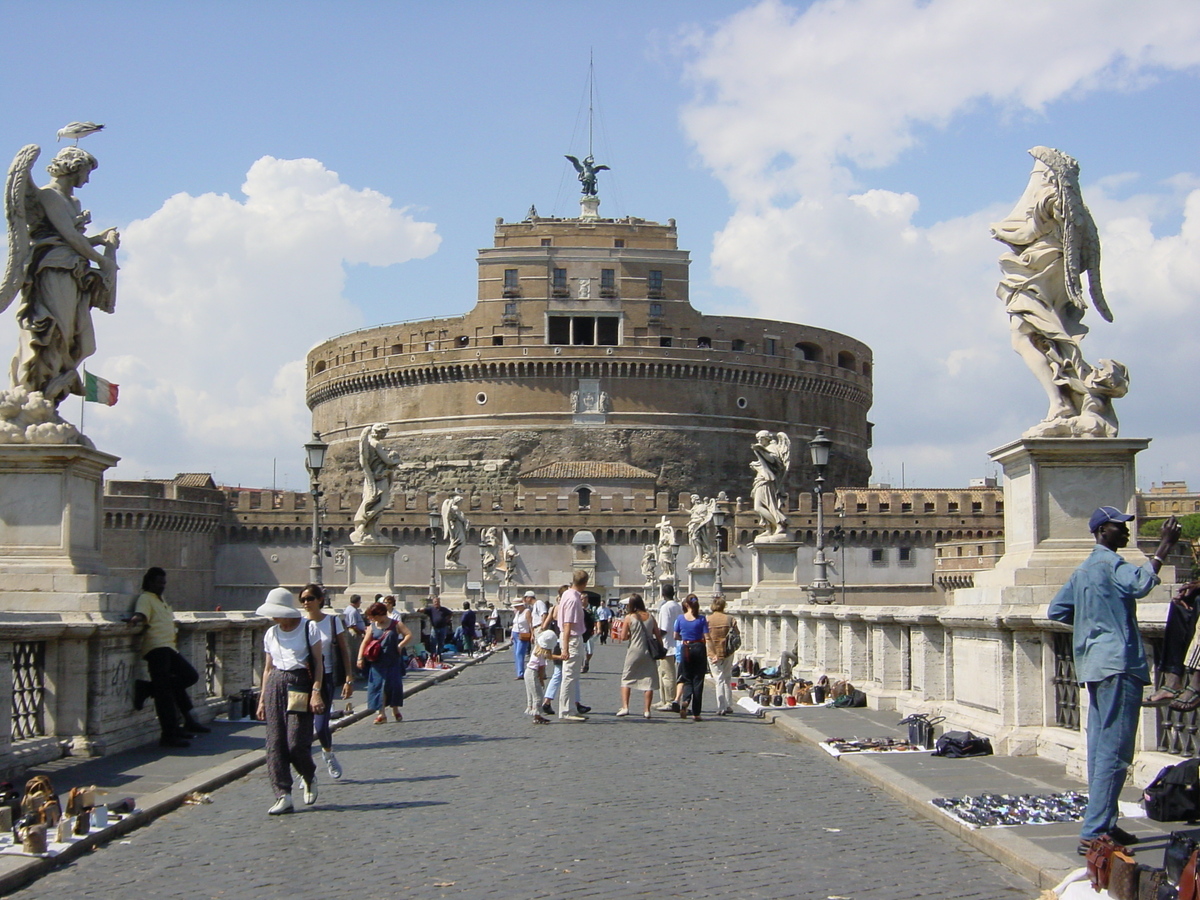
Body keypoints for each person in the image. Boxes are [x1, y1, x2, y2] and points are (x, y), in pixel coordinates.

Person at [1047, 507, 1181, 853]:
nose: (1126, 534)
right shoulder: (1111, 564)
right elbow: (1140, 585)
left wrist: (1093, 624)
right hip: (1120, 665)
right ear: (1102, 530)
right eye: (1120, 528)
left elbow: (1057, 611)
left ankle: (1105, 822)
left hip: (1094, 664)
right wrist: (1164, 547)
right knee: (1115, 750)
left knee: (1100, 747)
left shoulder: (1084, 569)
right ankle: (1094, 831)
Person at [2, 144, 119, 407]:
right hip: (52, 270)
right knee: (55, 332)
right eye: (86, 172)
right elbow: (67, 235)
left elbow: (72, 239)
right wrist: (101, 259)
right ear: (73, 167)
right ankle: (37, 392)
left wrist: (99, 241)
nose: (87, 179)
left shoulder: (73, 201)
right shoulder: (48, 196)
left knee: (81, 341)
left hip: (74, 274)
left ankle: (56, 386)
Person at [255, 588, 324, 815]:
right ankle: (282, 794)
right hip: (275, 683)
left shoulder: (308, 628)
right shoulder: (271, 633)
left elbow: (318, 663)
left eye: (277, 613)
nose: (274, 618)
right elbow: (267, 668)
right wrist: (262, 699)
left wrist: (316, 691)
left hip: (300, 684)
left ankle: (308, 774)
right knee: (274, 742)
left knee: (295, 741)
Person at [128, 567, 208, 749]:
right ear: (149, 582)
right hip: (156, 648)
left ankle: (148, 688)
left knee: (189, 677)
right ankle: (169, 734)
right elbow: (141, 614)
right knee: (164, 694)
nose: (162, 586)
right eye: (158, 582)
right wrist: (135, 619)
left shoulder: (161, 599)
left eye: (163, 582)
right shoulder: (146, 598)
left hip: (169, 648)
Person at [300, 584, 354, 780]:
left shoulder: (331, 622)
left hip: (326, 678)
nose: (306, 603)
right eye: (303, 599)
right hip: (302, 680)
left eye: (309, 599)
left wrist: (349, 678)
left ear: (320, 600)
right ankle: (305, 767)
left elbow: (344, 650)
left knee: (321, 726)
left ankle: (328, 753)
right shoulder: (299, 622)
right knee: (300, 729)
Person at [359, 601, 412, 724]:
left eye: (374, 616)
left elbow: (409, 634)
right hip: (377, 661)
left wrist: (400, 646)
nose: (372, 619)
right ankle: (381, 714)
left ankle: (395, 709)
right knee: (378, 686)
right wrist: (360, 658)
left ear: (381, 614)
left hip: (393, 661)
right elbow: (365, 643)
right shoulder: (372, 626)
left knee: (393, 686)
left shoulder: (396, 624)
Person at [350, 424, 402, 543]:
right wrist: (396, 460)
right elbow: (387, 461)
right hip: (379, 479)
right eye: (383, 432)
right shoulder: (376, 444)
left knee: (377, 502)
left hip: (375, 479)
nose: (384, 435)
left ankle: (371, 529)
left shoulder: (369, 444)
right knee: (382, 502)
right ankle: (363, 522)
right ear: (377, 432)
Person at [617, 594, 661, 719]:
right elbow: (657, 634)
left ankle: (625, 707)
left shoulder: (629, 617)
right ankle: (647, 710)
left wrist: (633, 634)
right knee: (649, 680)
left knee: (627, 678)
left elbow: (623, 636)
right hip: (648, 651)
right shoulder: (651, 617)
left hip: (634, 651)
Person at [557, 571, 590, 722]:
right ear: (585, 583)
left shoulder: (568, 595)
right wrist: (565, 648)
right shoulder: (572, 599)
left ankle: (570, 708)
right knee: (569, 676)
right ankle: (565, 710)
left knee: (573, 676)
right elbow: (567, 625)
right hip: (571, 639)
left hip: (572, 638)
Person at [674, 595, 709, 721]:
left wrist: (684, 638)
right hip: (699, 647)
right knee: (698, 680)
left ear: (686, 605)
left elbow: (675, 635)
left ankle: (686, 700)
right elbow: (707, 636)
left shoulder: (680, 618)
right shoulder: (701, 619)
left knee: (687, 677)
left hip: (685, 648)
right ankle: (696, 713)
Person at [751, 431, 791, 539]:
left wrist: (760, 451)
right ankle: (769, 528)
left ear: (767, 438)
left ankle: (779, 524)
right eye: (758, 439)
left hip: (767, 481)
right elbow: (765, 463)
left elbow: (774, 461)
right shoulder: (766, 447)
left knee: (761, 506)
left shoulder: (772, 447)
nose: (759, 441)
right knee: (761, 506)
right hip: (761, 479)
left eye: (761, 438)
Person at [706, 597, 739, 716]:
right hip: (727, 650)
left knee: (718, 678)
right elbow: (737, 634)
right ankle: (729, 704)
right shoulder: (730, 619)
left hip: (713, 651)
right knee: (727, 676)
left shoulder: (708, 620)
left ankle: (721, 706)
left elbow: (706, 637)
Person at [655, 584, 684, 712]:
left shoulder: (666, 607)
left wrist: (655, 638)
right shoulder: (678, 606)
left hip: (667, 645)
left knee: (667, 675)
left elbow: (664, 629)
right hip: (676, 644)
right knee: (663, 673)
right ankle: (664, 699)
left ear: (663, 594)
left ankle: (670, 700)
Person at [526, 629, 555, 725]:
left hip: (528, 672)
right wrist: (541, 680)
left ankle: (535, 713)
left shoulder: (536, 649)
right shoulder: (542, 655)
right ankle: (537, 716)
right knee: (538, 695)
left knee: (532, 694)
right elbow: (541, 669)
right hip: (533, 673)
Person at [511, 594, 533, 680]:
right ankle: (519, 672)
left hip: (523, 634)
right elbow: (514, 623)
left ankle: (521, 673)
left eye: (517, 606)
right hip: (515, 633)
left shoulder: (527, 612)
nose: (515, 608)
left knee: (519, 653)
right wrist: (512, 634)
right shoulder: (517, 613)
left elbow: (530, 624)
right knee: (516, 654)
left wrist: (532, 634)